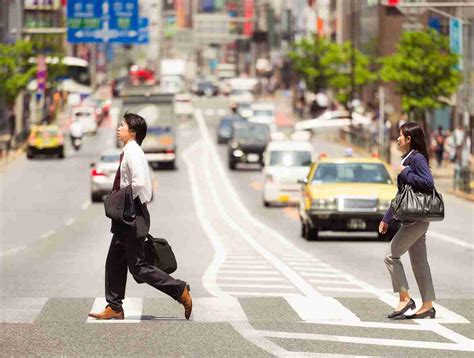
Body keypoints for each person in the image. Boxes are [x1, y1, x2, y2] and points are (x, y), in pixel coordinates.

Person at [88, 113, 192, 320]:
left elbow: (140, 183)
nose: (119, 128)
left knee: (138, 266)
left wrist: (121, 201)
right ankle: (115, 306)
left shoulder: (133, 152)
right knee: (115, 260)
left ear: (133, 132)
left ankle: (179, 290)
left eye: (123, 125)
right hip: (129, 214)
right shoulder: (129, 151)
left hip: (132, 214)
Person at [379, 122, 437, 320]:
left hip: (416, 220)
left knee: (390, 256)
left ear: (409, 139)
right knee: (420, 262)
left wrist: (406, 173)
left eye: (400, 135)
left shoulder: (417, 159)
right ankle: (427, 305)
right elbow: (401, 194)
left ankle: (405, 298)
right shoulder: (409, 158)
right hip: (415, 217)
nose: (397, 138)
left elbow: (428, 183)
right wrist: (387, 218)